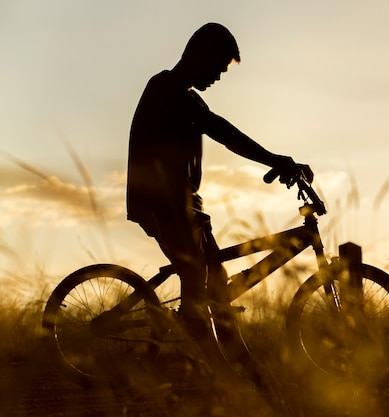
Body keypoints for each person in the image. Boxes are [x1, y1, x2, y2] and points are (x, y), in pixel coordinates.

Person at [126, 23, 312, 337]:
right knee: (196, 276)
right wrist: (276, 160)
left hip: (186, 205)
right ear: (201, 55)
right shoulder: (166, 88)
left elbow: (220, 129)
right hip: (160, 202)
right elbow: (223, 132)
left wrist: (277, 161)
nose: (218, 77)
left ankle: (234, 365)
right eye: (218, 67)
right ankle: (204, 363)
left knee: (217, 283)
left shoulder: (190, 99)